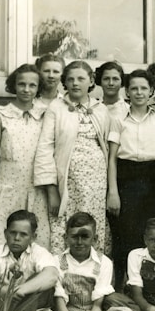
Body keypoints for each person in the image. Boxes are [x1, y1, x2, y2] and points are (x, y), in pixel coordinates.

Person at [34, 60, 111, 254]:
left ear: (91, 81)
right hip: (67, 180)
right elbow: (45, 148)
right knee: (67, 224)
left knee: (92, 224)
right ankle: (64, 275)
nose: (75, 83)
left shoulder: (100, 109)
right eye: (70, 79)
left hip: (96, 182)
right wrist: (52, 190)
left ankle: (94, 275)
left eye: (81, 79)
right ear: (64, 83)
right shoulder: (56, 108)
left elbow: (108, 148)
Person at [107, 69, 155, 290]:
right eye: (134, 88)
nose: (139, 92)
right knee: (124, 233)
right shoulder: (118, 120)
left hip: (151, 179)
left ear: (151, 91)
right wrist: (113, 192)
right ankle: (121, 285)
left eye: (143, 88)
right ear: (127, 92)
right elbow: (112, 159)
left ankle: (148, 287)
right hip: (126, 178)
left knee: (148, 231)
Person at [34, 213, 135, 311]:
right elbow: (59, 299)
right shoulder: (56, 261)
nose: (79, 242)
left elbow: (99, 303)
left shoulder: (103, 262)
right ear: (66, 238)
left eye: (85, 236)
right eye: (75, 237)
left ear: (95, 239)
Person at [0, 64, 50, 248]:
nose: (26, 90)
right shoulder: (0, 116)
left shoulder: (45, 115)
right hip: (8, 188)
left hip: (37, 189)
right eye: (22, 84)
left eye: (32, 85)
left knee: (38, 243)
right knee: (4, 240)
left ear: (38, 88)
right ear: (14, 85)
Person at [0, 210, 58, 306]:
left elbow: (52, 276)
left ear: (33, 237)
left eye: (23, 234)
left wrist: (19, 290)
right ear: (5, 233)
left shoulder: (39, 252)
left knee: (42, 284)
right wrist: (4, 290)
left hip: (31, 309)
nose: (17, 238)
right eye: (13, 233)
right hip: (0, 307)